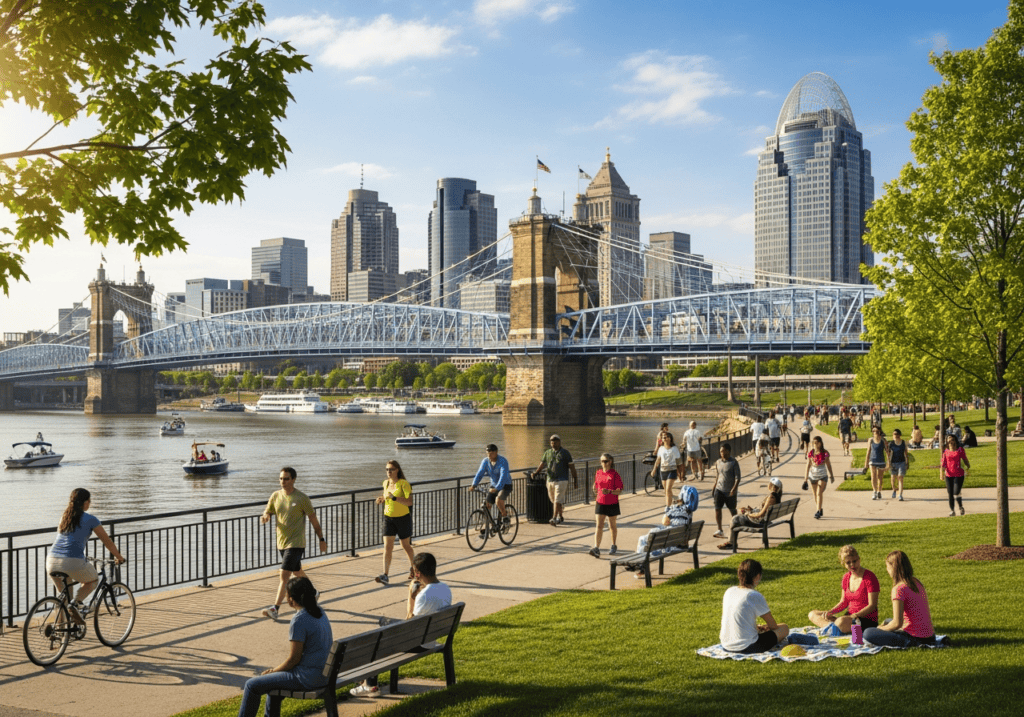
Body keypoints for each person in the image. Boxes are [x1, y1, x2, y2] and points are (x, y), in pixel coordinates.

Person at [350, 552, 452, 699]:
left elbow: (409, 621)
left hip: (419, 643)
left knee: (380, 637)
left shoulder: (423, 596)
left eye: (413, 571)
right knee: (384, 623)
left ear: (417, 573)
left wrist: (411, 596)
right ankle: (367, 681)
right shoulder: (445, 588)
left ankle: (369, 684)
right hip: (432, 638)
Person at [238, 577, 333, 717]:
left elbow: (293, 660)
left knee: (251, 685)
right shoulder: (320, 612)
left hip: (307, 678)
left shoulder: (299, 620)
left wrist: (273, 671)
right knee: (274, 685)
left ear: (290, 599)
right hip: (325, 675)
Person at [46, 488, 126, 620]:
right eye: (89, 500)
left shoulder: (64, 518)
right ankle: (76, 604)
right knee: (93, 580)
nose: (90, 503)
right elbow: (107, 542)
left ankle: (60, 632)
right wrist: (119, 557)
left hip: (51, 560)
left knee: (64, 597)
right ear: (84, 502)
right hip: (71, 561)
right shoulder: (90, 519)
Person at [260, 467, 327, 619]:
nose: (283, 482)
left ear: (294, 479)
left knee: (284, 574)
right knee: (297, 572)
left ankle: (275, 609)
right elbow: (268, 511)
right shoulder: (275, 496)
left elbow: (314, 521)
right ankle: (314, 592)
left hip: (296, 543)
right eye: (281, 479)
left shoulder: (302, 498)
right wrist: (265, 516)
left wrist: (321, 539)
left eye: (286, 479)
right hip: (281, 542)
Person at [863, 550, 937, 648]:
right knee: (888, 620)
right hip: (930, 637)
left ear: (893, 568)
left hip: (915, 638)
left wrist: (882, 629)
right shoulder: (916, 582)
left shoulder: (899, 589)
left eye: (887, 567)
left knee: (868, 633)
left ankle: (913, 644)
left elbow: (897, 623)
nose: (887, 570)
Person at [719, 559, 790, 653]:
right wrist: (768, 628)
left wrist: (757, 628)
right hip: (748, 646)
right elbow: (773, 626)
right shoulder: (753, 595)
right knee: (784, 628)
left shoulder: (729, 591)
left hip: (726, 644)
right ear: (757, 576)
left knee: (763, 628)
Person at [808, 545, 880, 634]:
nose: (852, 565)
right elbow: (843, 602)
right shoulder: (846, 578)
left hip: (865, 620)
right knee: (813, 614)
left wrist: (854, 616)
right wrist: (830, 612)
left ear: (859, 559)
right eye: (848, 563)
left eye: (854, 561)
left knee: (841, 622)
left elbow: (872, 605)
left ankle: (831, 629)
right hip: (848, 618)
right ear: (843, 564)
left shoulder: (870, 577)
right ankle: (832, 629)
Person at [632, 484, 696, 579]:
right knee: (651, 539)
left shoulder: (675, 509)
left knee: (643, 540)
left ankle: (641, 568)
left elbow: (665, 522)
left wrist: (668, 510)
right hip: (681, 544)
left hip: (669, 546)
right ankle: (640, 565)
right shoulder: (689, 512)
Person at [374, 460, 415, 585]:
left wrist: (395, 498)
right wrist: (381, 499)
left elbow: (409, 502)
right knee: (387, 547)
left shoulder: (404, 484)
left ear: (397, 470)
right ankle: (385, 575)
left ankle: (414, 568)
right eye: (387, 469)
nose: (388, 472)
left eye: (391, 469)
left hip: (403, 518)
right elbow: (387, 497)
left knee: (405, 545)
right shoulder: (385, 483)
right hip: (388, 518)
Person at [718, 476, 783, 550]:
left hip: (759, 522)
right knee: (738, 517)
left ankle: (731, 543)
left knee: (734, 519)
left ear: (772, 486)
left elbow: (760, 514)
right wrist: (751, 510)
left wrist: (748, 514)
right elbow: (764, 511)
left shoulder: (771, 497)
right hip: (765, 520)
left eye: (769, 483)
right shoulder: (777, 496)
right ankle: (731, 542)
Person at [535, 435, 578, 525]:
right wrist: (536, 473)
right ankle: (561, 516)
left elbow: (572, 467)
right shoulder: (547, 452)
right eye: (551, 442)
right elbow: (542, 464)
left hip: (562, 480)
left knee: (557, 500)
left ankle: (554, 518)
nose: (553, 444)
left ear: (559, 442)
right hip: (550, 479)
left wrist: (575, 480)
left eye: (555, 442)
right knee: (553, 499)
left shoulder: (565, 453)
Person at [468, 444, 513, 525]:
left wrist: (497, 488)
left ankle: (505, 516)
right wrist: (473, 485)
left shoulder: (503, 461)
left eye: (491, 453)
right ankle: (490, 526)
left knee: (498, 500)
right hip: (494, 484)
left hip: (506, 484)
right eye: (488, 453)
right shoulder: (485, 461)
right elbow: (480, 473)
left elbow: (503, 476)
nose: (489, 455)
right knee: (487, 505)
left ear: (496, 452)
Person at [589, 454, 623, 558]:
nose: (604, 463)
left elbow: (619, 491)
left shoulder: (614, 474)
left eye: (606, 461)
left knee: (612, 525)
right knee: (599, 525)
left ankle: (613, 544)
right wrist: (594, 488)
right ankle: (596, 548)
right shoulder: (598, 473)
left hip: (612, 503)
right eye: (602, 461)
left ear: (610, 462)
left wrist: (609, 491)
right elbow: (596, 485)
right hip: (600, 502)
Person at [711, 443, 740, 539]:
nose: (722, 453)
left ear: (728, 451)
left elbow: (737, 478)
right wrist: (714, 486)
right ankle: (720, 529)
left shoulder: (734, 462)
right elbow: (717, 475)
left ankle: (736, 526)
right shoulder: (718, 462)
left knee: (732, 511)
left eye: (723, 451)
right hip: (719, 489)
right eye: (720, 451)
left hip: (729, 491)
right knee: (717, 509)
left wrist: (733, 489)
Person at [803, 435, 834, 519]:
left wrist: (831, 475)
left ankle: (817, 511)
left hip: (822, 476)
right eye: (813, 443)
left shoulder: (825, 453)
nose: (814, 444)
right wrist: (805, 480)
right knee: (815, 494)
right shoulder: (811, 453)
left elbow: (828, 465)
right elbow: (807, 466)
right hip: (812, 476)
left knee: (818, 492)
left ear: (820, 443)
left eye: (816, 443)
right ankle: (819, 509)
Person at [651, 431, 684, 507]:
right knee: (666, 491)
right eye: (663, 437)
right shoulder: (661, 449)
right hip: (663, 471)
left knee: (668, 490)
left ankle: (668, 508)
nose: (664, 438)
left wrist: (681, 473)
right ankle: (679, 499)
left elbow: (679, 462)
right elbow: (658, 460)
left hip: (672, 471)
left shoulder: (674, 449)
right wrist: (654, 470)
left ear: (670, 438)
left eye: (666, 437)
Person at [941, 435, 970, 516]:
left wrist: (968, 465)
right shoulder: (946, 451)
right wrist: (941, 474)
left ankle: (960, 507)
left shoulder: (960, 450)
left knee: (956, 492)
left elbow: (964, 459)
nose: (950, 442)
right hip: (949, 475)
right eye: (949, 441)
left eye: (952, 440)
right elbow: (943, 464)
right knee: (950, 493)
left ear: (955, 441)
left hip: (959, 475)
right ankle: (952, 510)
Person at [864, 426, 889, 501]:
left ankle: (879, 491)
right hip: (872, 460)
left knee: (880, 477)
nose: (875, 432)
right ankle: (874, 491)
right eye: (873, 431)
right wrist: (866, 463)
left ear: (879, 432)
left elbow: (887, 452)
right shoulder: (871, 440)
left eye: (876, 431)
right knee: (873, 476)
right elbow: (868, 451)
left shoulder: (883, 440)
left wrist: (888, 463)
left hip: (881, 461)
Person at [889, 428, 909, 500]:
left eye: (897, 434)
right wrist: (888, 463)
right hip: (893, 463)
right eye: (894, 434)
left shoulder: (903, 442)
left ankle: (900, 494)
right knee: (893, 478)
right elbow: (888, 454)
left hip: (901, 462)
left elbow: (906, 453)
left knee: (900, 478)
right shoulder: (891, 443)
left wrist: (907, 462)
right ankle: (894, 489)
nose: (896, 435)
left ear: (900, 435)